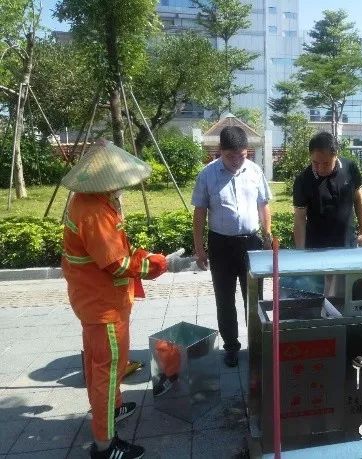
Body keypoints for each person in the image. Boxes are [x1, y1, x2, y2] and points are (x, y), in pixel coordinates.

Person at [61, 139, 190, 459]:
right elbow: (117, 263)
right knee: (106, 370)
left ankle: (112, 410)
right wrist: (161, 264)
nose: (123, 188)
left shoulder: (92, 201)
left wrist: (150, 257)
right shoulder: (94, 211)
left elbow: (119, 250)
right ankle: (105, 444)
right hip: (102, 304)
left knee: (99, 364)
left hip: (94, 299)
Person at [192, 125, 272, 367]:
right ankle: (231, 347)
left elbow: (263, 205)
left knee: (254, 298)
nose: (237, 161)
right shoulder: (207, 174)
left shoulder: (255, 171)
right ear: (220, 151)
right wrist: (199, 248)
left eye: (242, 155)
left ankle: (257, 344)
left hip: (251, 244)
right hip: (221, 245)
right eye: (230, 156)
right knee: (224, 299)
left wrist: (267, 234)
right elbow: (199, 213)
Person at [293, 131, 362, 250]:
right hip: (316, 248)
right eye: (315, 163)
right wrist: (300, 251)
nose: (320, 168)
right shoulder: (303, 180)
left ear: (335, 155)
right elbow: (300, 219)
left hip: (348, 244)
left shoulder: (350, 168)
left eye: (326, 163)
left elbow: (358, 199)